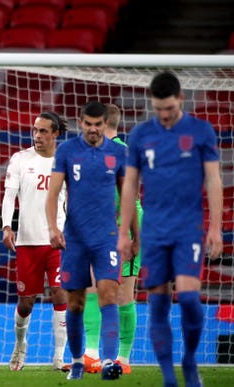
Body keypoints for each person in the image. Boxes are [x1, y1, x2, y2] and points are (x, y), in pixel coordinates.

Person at [118, 71, 223, 387]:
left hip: (188, 229)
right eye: (159, 109)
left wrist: (215, 228)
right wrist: (125, 231)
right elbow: (130, 184)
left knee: (190, 300)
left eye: (169, 109)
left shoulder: (201, 131)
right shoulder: (141, 135)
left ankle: (189, 360)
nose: (164, 115)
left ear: (181, 100)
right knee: (158, 303)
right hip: (153, 231)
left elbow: (214, 179)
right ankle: (168, 377)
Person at [46, 101, 137, 380]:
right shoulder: (67, 151)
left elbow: (129, 197)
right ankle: (76, 361)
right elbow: (53, 194)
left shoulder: (119, 152)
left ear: (104, 125)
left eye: (99, 124)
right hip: (75, 238)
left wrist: (135, 238)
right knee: (75, 302)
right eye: (89, 124)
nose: (94, 129)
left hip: (107, 237)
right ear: (81, 122)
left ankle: (109, 361)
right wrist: (52, 227)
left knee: (109, 294)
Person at [1, 112, 69, 371]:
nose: (37, 136)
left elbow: (71, 200)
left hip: (56, 242)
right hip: (27, 242)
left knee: (59, 293)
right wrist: (7, 226)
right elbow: (9, 196)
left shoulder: (65, 161)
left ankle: (59, 358)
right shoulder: (20, 160)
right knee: (26, 302)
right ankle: (19, 346)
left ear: (55, 134)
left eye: (43, 131)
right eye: (35, 130)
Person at [81, 104, 144, 375]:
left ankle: (124, 358)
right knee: (93, 288)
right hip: (101, 231)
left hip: (125, 230)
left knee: (123, 295)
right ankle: (91, 353)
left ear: (104, 124)